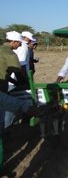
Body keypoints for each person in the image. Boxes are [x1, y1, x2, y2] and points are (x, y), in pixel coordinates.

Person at [0, 31, 29, 169]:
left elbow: (5, 73)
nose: (19, 45)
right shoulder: (10, 54)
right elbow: (19, 72)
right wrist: (25, 85)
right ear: (13, 42)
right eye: (19, 43)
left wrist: (13, 82)